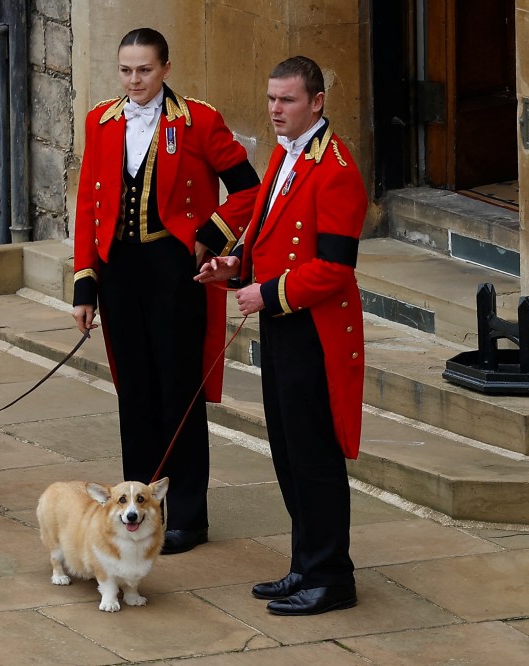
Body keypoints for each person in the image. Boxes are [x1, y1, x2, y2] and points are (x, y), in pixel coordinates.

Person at [71, 28, 260, 554]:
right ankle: (138, 512)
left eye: (145, 70)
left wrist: (211, 236)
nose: (134, 81)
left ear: (166, 69)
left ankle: (189, 518)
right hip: (120, 274)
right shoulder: (100, 121)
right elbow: (88, 204)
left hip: (175, 272)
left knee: (179, 394)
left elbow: (249, 187)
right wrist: (85, 284)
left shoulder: (199, 120)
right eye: (126, 70)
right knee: (133, 393)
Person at [196, 56, 368, 614]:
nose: (275, 110)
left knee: (314, 455)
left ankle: (331, 577)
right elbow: (266, 238)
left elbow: (335, 268)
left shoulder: (336, 168)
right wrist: (234, 268)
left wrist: (267, 294)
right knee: (288, 452)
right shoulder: (283, 155)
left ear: (316, 102)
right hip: (283, 326)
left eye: (287, 100)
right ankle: (305, 564)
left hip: (315, 332)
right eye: (271, 99)